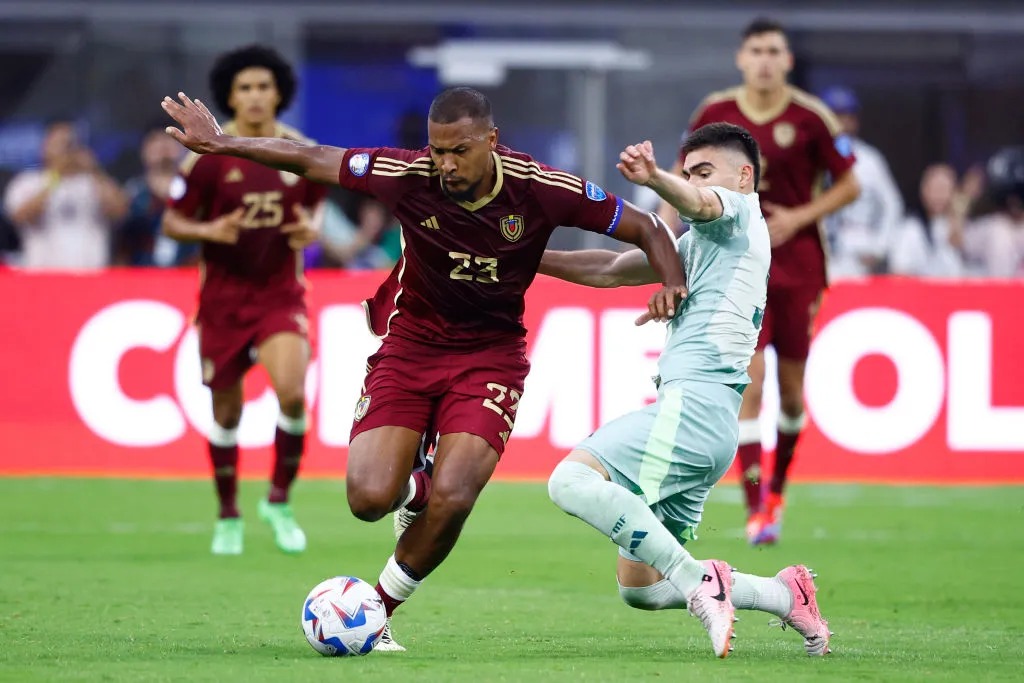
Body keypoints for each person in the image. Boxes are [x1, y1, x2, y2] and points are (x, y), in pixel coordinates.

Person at [162, 85, 687, 651]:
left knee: (456, 495)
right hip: (410, 347)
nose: (446, 165)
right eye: (437, 150)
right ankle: (419, 484)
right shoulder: (406, 173)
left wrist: (672, 281)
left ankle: (377, 608)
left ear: (492, 141)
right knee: (367, 500)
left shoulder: (542, 187)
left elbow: (647, 228)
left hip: (490, 355)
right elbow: (314, 158)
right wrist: (223, 144)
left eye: (459, 151)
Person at [542, 124, 830, 659]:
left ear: (743, 177)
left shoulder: (741, 214)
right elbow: (608, 267)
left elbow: (698, 202)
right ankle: (784, 594)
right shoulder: (698, 246)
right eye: (688, 170)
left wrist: (655, 178)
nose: (694, 183)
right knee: (644, 589)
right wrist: (527, 259)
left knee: (570, 481)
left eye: (703, 171)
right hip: (707, 421)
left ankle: (701, 583)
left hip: (694, 407)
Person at [660, 18, 860, 545]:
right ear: (741, 59)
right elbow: (682, 180)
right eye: (757, 50)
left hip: (798, 267)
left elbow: (850, 185)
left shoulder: (810, 119)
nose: (766, 60)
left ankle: (777, 490)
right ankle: (756, 511)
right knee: (751, 384)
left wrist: (799, 217)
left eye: (775, 51)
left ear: (787, 61)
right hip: (735, 263)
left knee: (791, 394)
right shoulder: (715, 113)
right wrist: (659, 239)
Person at [161, 45, 326, 556]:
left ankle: (278, 501)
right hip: (224, 303)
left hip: (280, 296)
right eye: (245, 88)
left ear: (278, 93)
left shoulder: (303, 152)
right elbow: (171, 221)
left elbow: (315, 216)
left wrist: (307, 232)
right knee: (227, 414)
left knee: (294, 394)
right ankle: (228, 513)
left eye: (263, 86)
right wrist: (211, 228)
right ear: (231, 96)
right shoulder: (209, 156)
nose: (255, 96)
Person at [3, 120, 127, 269]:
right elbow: (21, 217)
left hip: (93, 277)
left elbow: (120, 211)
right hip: (43, 277)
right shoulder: (28, 181)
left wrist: (95, 170)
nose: (65, 151)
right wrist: (56, 176)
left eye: (69, 145)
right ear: (45, 147)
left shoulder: (94, 182)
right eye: (59, 144)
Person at [818, 86, 904, 279]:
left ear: (855, 121)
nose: (840, 123)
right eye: (834, 116)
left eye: (846, 116)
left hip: (856, 250)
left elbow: (892, 205)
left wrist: (880, 247)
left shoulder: (869, 159)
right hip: (819, 250)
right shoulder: (806, 158)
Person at [117, 129, 196, 266]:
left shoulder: (199, 192)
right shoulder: (130, 195)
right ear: (143, 151)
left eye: (170, 139)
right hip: (139, 277)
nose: (163, 146)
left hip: (188, 276)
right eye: (155, 141)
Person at [888, 164, 976, 278]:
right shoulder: (910, 229)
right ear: (924, 191)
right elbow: (898, 273)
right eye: (935, 189)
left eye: (945, 189)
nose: (939, 195)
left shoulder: (958, 227)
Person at [962, 147, 1024, 277]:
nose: (1015, 204)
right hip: (994, 294)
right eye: (1011, 200)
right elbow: (958, 242)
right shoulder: (989, 227)